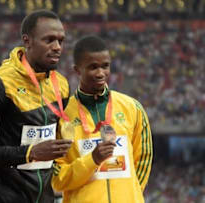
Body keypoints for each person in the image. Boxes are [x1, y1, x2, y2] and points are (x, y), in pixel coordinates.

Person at [0, 10, 72, 203]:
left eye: (60, 41)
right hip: (5, 197)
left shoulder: (62, 85)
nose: (57, 47)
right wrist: (30, 153)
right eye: (49, 40)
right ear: (27, 41)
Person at [52, 35, 153, 203]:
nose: (100, 73)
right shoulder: (60, 115)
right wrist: (92, 160)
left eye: (105, 66)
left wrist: (129, 196)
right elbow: (57, 178)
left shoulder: (132, 108)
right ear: (77, 70)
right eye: (93, 67)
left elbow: (143, 161)